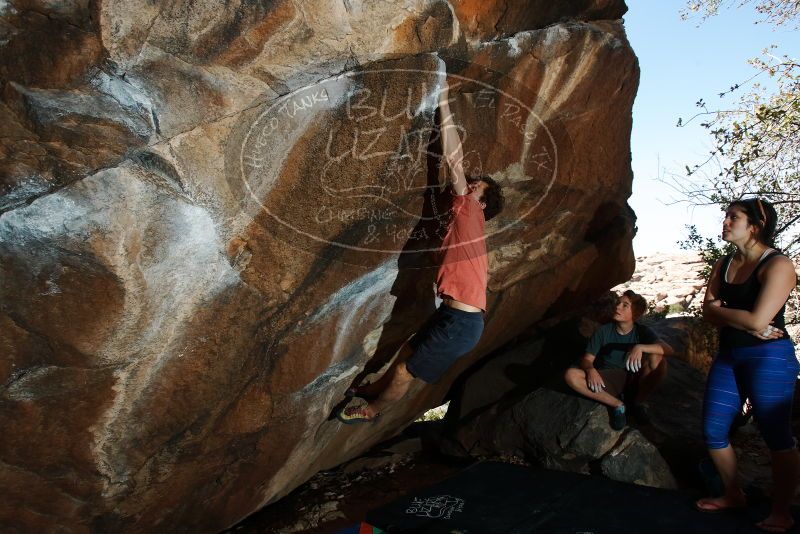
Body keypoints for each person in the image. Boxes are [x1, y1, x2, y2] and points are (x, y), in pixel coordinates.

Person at [336, 76, 504, 424]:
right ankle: (370, 391)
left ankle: (373, 410)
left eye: (477, 189)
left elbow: (453, 162)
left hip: (460, 323)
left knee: (405, 372)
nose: (469, 187)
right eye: (472, 185)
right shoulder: (464, 223)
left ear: (482, 204)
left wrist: (442, 99)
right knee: (405, 356)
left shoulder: (470, 212)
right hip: (455, 317)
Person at [695, 198, 798, 534]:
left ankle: (781, 510)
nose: (725, 222)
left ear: (754, 226)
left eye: (733, 217)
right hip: (731, 356)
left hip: (769, 358)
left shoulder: (777, 265)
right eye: (726, 216)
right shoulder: (723, 263)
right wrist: (739, 319)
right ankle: (732, 493)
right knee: (713, 431)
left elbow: (757, 321)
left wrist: (726, 313)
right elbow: (708, 314)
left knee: (777, 436)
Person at [564, 290, 673, 430]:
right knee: (570, 375)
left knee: (659, 359)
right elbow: (587, 359)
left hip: (634, 378)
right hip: (608, 378)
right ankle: (617, 405)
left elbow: (669, 350)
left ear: (636, 313)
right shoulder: (604, 331)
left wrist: (640, 347)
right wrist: (590, 369)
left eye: (625, 305)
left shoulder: (642, 331)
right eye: (618, 303)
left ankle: (638, 403)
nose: (617, 307)